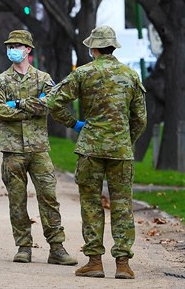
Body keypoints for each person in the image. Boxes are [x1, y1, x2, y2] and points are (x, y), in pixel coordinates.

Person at [47, 26, 147, 279]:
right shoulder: (130, 75)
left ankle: (94, 262)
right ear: (113, 47)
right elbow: (140, 119)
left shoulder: (83, 73)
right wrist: (125, 139)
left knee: (91, 205)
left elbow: (53, 102)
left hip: (90, 148)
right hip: (121, 151)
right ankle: (123, 263)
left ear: (94, 49)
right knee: (122, 204)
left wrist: (73, 124)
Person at [0, 30, 77, 266]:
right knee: (17, 200)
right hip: (13, 150)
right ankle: (23, 247)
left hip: (39, 149)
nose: (11, 49)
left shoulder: (44, 79)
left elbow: (50, 104)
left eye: (17, 45)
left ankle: (56, 248)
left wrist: (18, 103)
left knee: (49, 198)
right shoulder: (0, 81)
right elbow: (0, 111)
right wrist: (33, 106)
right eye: (9, 45)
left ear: (28, 50)